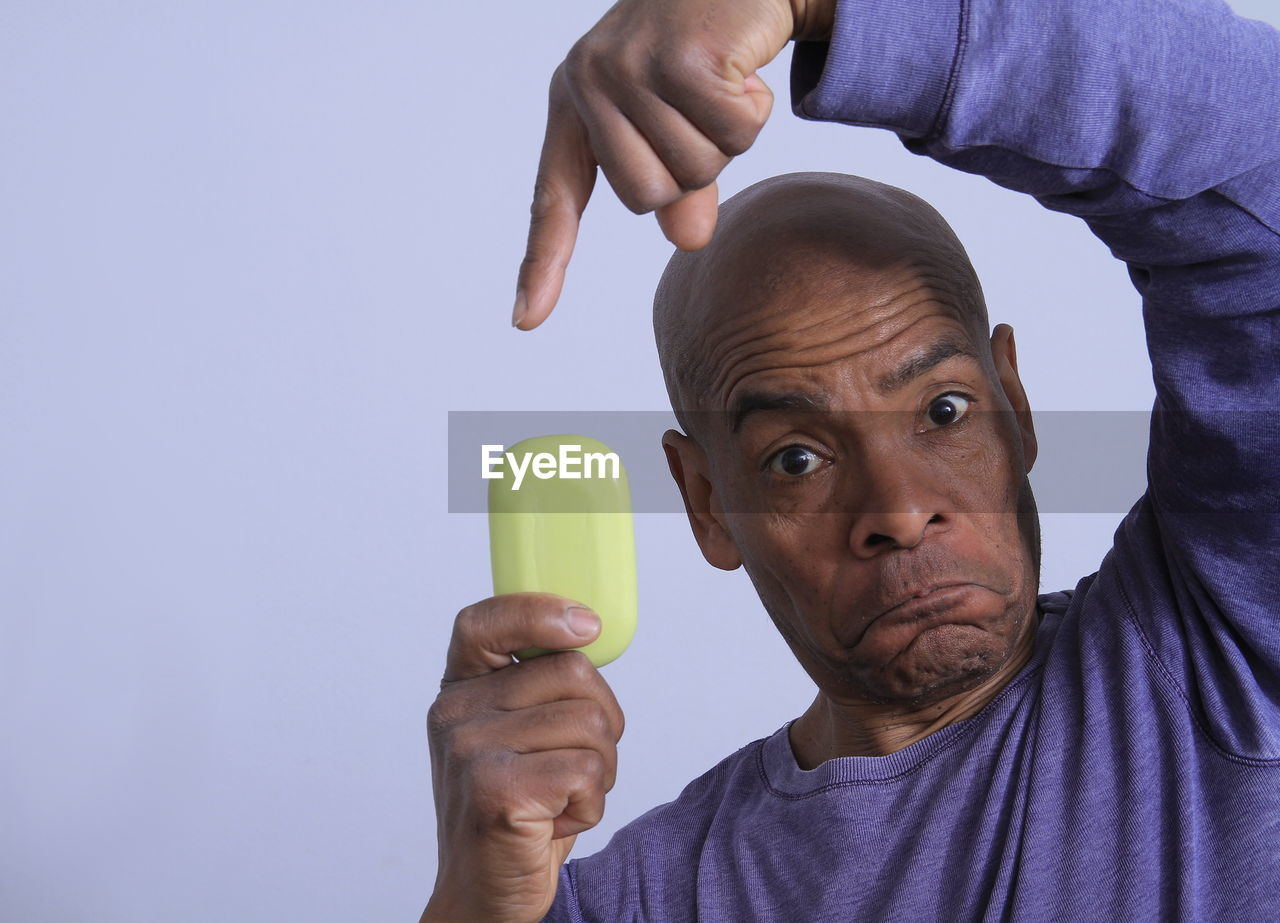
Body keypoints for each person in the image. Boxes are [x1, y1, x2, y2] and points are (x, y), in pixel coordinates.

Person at [424, 0, 1280, 919]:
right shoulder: (642, 898)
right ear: (708, 503)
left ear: (1014, 407)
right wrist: (475, 904)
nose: (901, 509)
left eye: (943, 410)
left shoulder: (1221, 648)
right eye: (797, 458)